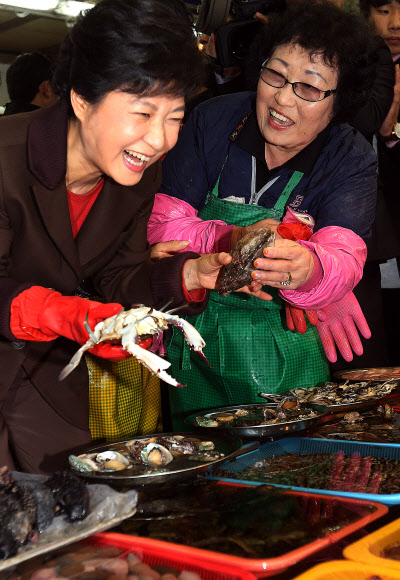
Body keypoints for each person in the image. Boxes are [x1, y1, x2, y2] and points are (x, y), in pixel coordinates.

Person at [0, 0, 253, 474]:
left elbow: (115, 278)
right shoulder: (4, 159)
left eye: (174, 116)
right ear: (80, 98)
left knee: (82, 502)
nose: (159, 139)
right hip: (28, 349)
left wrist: (191, 275)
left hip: (47, 375)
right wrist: (67, 313)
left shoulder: (133, 174)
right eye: (142, 112)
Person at [148, 0, 378, 429]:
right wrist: (233, 240)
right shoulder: (212, 120)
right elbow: (164, 226)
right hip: (196, 343)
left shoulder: (348, 156)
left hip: (289, 353)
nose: (282, 98)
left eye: (309, 88)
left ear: (339, 100)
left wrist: (314, 270)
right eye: (275, 75)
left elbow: (344, 255)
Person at [359, 0, 400, 366]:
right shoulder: (361, 61)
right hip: (373, 224)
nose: (396, 23)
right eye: (384, 10)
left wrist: (392, 135)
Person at [3, 52, 58, 117]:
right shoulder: (55, 125)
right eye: (56, 87)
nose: (58, 97)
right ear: (47, 88)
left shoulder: (4, 122)